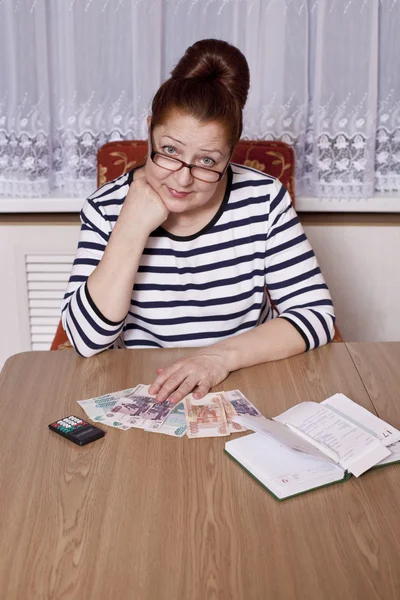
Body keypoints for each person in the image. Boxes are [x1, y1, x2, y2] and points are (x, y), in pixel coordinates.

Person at [62, 38, 335, 404]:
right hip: (147, 387)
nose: (182, 178)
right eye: (170, 151)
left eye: (207, 161)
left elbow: (316, 315)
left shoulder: (264, 198)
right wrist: (131, 224)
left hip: (246, 376)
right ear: (149, 132)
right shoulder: (105, 206)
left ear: (229, 155)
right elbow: (85, 339)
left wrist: (217, 358)